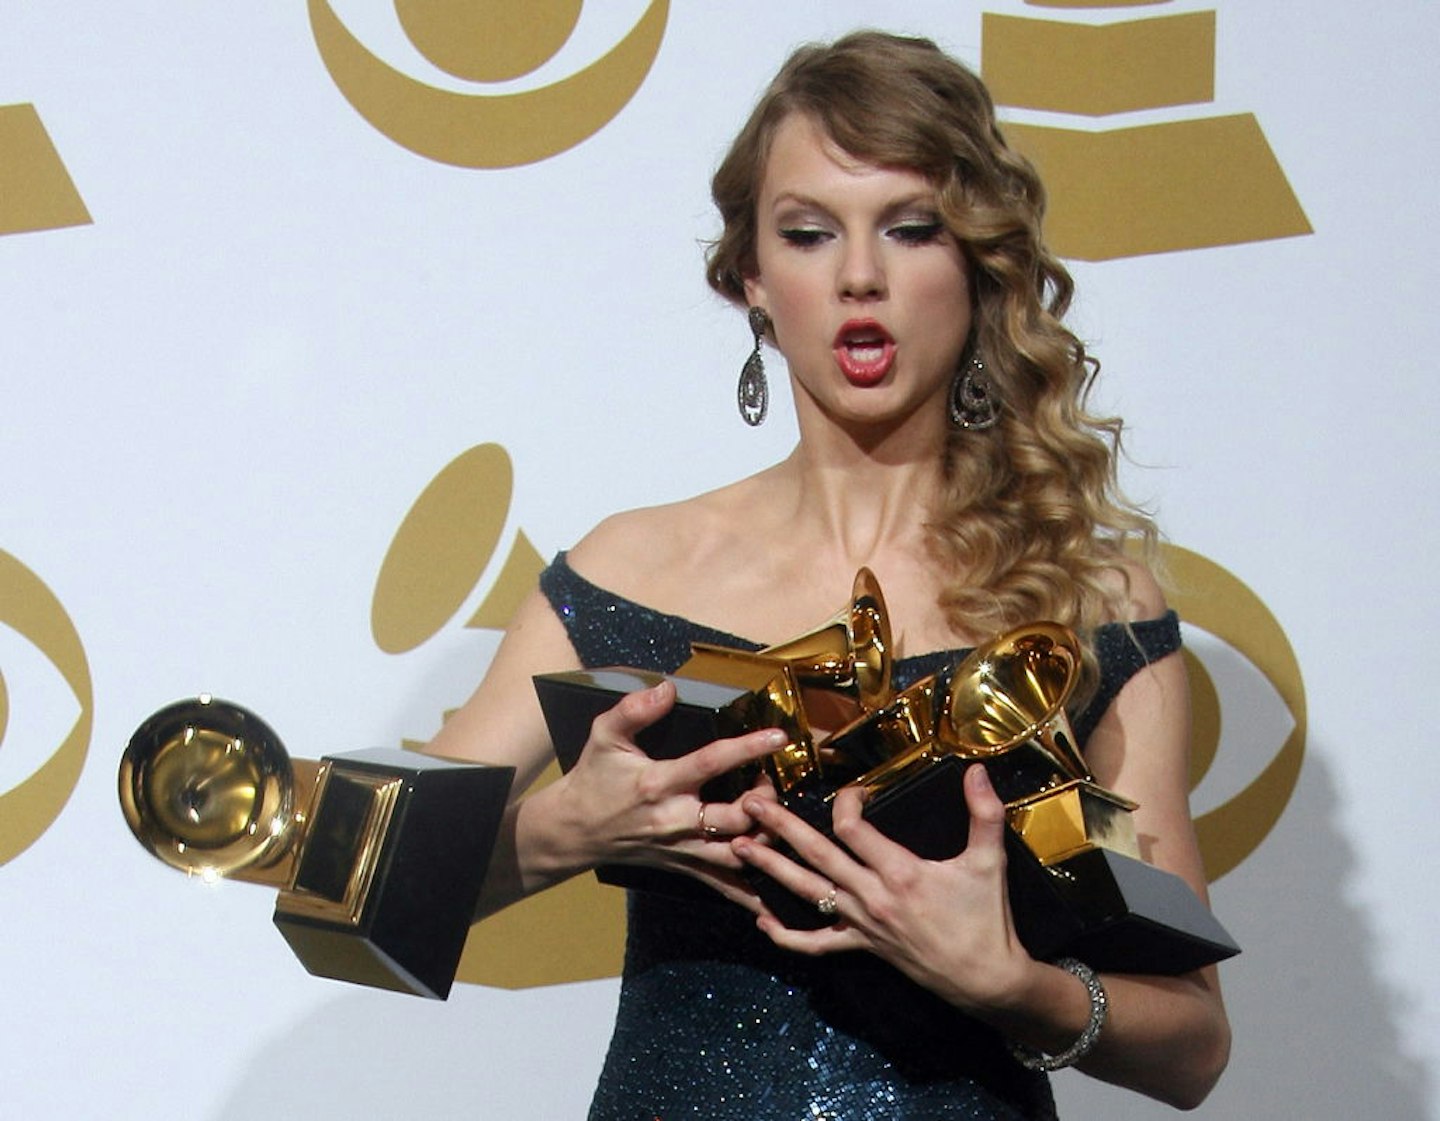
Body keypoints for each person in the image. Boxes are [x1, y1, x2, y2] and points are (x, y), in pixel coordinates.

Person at [427, 29, 1230, 1120]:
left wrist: (1013, 984)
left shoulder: (1085, 607)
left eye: (911, 229)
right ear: (752, 277)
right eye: (809, 233)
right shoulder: (627, 571)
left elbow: (1191, 1042)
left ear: (978, 264)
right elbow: (351, 891)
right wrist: (567, 829)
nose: (860, 275)